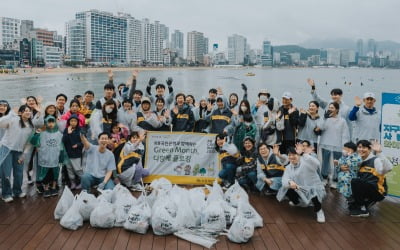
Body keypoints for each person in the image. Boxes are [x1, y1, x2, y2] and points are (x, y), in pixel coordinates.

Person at [277, 145, 326, 223]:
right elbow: (284, 180)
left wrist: (303, 154)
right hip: (300, 189)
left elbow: (317, 164)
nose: (292, 157)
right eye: (289, 155)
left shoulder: (306, 162)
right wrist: (290, 182)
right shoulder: (288, 167)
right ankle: (300, 203)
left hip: (314, 189)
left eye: (294, 154)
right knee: (286, 188)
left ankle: (319, 211)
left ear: (298, 155)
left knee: (313, 191)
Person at [349, 140, 393, 217]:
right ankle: (365, 202)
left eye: (364, 147)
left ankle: (363, 208)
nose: (361, 149)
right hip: (366, 188)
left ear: (370, 149)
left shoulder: (376, 160)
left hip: (377, 191)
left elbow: (388, 168)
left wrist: (379, 152)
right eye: (359, 147)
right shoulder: (357, 160)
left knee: (356, 181)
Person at [0, 105, 34, 202]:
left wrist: (24, 154)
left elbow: (29, 143)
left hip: (19, 152)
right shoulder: (13, 120)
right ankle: (6, 194)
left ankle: (17, 191)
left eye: (29, 111)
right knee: (6, 173)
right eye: (25, 111)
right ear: (20, 113)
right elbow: (1, 123)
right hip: (7, 149)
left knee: (19, 173)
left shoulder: (31, 127)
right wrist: (11, 113)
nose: (28, 112)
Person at [30, 116, 64, 197]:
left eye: (52, 122)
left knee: (55, 174)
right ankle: (46, 188)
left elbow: (62, 147)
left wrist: (61, 158)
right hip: (44, 158)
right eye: (49, 122)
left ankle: (53, 187)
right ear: (45, 123)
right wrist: (37, 133)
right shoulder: (42, 133)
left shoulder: (59, 134)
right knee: (45, 175)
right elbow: (33, 141)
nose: (51, 124)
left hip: (55, 158)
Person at [318, 102, 350, 188]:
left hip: (337, 145)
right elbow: (320, 127)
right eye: (329, 107)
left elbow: (345, 134)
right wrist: (324, 118)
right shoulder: (325, 118)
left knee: (337, 163)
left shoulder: (342, 121)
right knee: (325, 162)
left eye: (332, 108)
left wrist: (345, 146)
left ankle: (335, 180)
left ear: (337, 110)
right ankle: (324, 178)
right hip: (325, 143)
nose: (330, 109)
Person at [62, 115, 84, 190]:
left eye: (75, 121)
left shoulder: (80, 130)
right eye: (71, 121)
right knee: (69, 169)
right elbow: (63, 140)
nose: (73, 122)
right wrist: (68, 133)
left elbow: (83, 142)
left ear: (77, 122)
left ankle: (82, 182)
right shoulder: (66, 130)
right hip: (67, 153)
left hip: (76, 153)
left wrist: (78, 145)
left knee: (78, 169)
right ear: (69, 122)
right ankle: (73, 182)